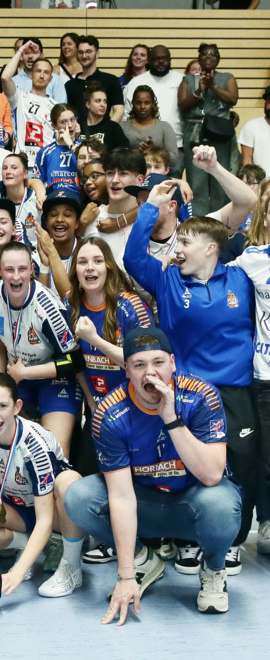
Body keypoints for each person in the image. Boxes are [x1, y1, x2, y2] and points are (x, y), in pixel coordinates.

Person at [125, 179, 257, 578]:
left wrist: (212, 168)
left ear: (210, 248)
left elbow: (247, 203)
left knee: (243, 464)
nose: (176, 249)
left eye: (185, 243)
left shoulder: (241, 278)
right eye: (176, 243)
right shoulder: (167, 280)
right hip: (188, 393)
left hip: (235, 390)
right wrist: (151, 207)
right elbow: (133, 258)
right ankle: (188, 540)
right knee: (184, 464)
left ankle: (231, 542)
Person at [65, 327, 242, 618]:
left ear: (173, 363)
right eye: (139, 365)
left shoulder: (202, 396)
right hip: (143, 503)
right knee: (79, 496)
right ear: (126, 371)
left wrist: (171, 419)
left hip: (193, 502)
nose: (151, 374)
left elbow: (212, 474)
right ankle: (141, 560)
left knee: (222, 503)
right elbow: (121, 497)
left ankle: (213, 568)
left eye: (158, 363)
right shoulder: (109, 414)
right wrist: (124, 575)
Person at [0, 372, 84, 596]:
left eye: (2, 406)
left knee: (69, 482)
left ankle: (71, 567)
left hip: (54, 511)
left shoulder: (34, 447)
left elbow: (45, 519)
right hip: (16, 505)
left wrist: (17, 572)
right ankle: (27, 545)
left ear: (17, 407)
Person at [0, 242, 84, 457]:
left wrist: (26, 373)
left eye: (22, 269)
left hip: (54, 379)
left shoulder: (49, 309)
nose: (16, 277)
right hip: (16, 377)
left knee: (53, 453)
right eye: (9, 270)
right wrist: (1, 381)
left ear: (32, 270)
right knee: (10, 449)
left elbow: (75, 361)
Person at [67, 237, 153, 407]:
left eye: (98, 261)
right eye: (82, 262)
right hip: (98, 406)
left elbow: (145, 364)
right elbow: (76, 362)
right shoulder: (70, 304)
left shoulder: (132, 306)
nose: (89, 268)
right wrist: (91, 402)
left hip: (138, 403)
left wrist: (94, 340)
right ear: (75, 269)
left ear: (109, 267)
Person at [178, 43, 239, 216]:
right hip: (194, 133)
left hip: (220, 134)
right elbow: (182, 105)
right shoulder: (188, 80)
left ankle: (222, 223)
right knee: (197, 181)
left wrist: (213, 86)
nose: (209, 56)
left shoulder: (227, 77)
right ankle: (199, 223)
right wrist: (199, 90)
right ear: (199, 58)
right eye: (205, 53)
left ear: (218, 59)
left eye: (213, 54)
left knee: (221, 179)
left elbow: (233, 99)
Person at [1, 43, 56, 179]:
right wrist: (21, 51)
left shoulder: (56, 106)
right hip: (24, 165)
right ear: (31, 74)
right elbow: (5, 77)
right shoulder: (20, 97)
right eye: (38, 71)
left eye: (46, 72)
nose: (42, 75)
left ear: (51, 78)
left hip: (47, 165)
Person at [122, 45, 184, 157]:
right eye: (156, 58)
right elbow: (126, 115)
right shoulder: (135, 82)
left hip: (177, 146)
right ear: (149, 60)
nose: (161, 62)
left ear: (170, 60)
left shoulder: (182, 80)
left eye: (164, 58)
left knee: (173, 175)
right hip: (140, 148)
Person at [64, 35, 124, 125]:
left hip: (104, 135)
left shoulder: (111, 80)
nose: (84, 56)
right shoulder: (69, 85)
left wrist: (107, 129)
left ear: (97, 53)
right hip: (77, 136)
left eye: (88, 51)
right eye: (80, 52)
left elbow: (119, 110)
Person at [121, 85, 179, 172]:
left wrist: (155, 150)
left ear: (153, 104)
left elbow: (174, 160)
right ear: (133, 103)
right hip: (129, 175)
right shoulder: (122, 127)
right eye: (138, 103)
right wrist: (134, 153)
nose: (142, 106)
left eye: (147, 103)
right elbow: (114, 157)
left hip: (156, 177)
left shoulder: (164, 127)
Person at [82, 82, 130, 151]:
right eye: (98, 101)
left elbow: (124, 151)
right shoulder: (78, 126)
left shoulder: (113, 127)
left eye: (105, 101)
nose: (103, 105)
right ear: (88, 104)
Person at [239, 85, 270, 172]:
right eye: (269, 102)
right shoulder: (251, 127)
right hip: (260, 183)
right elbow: (247, 163)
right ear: (265, 104)